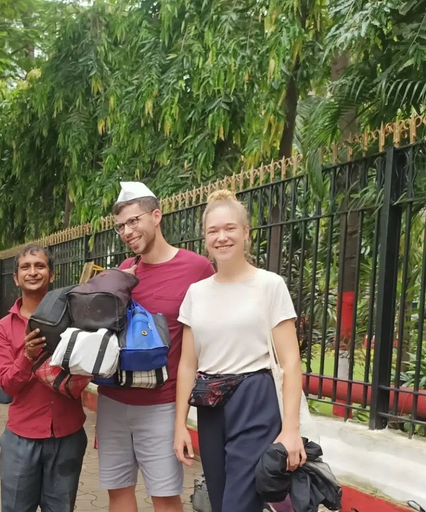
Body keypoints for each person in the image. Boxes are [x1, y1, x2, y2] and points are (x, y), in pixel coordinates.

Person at [174, 190, 306, 512]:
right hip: (210, 402)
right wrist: (180, 425)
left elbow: (290, 360)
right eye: (213, 231)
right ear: (204, 237)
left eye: (230, 228)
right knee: (220, 502)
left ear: (246, 232)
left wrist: (290, 430)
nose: (222, 237)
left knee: (238, 504)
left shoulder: (269, 285)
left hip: (254, 399)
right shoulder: (196, 293)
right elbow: (187, 364)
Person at [96, 182, 215, 512]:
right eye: (120, 226)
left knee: (164, 496)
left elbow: (208, 335)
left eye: (134, 221)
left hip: (162, 405)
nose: (127, 231)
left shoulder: (197, 269)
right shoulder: (121, 272)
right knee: (118, 491)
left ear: (156, 216)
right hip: (113, 399)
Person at [0, 244, 87, 512]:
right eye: (25, 267)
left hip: (68, 434)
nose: (33, 272)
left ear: (52, 274)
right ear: (16, 278)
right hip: (22, 439)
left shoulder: (74, 317)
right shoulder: (2, 329)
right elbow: (8, 385)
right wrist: (28, 356)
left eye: (40, 266)